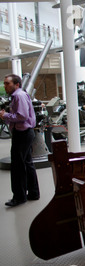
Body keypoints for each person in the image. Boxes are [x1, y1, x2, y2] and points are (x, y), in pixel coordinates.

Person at [0, 74, 40, 206]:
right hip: (25, 133)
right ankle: (33, 193)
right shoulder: (20, 95)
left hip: (22, 133)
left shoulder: (18, 96)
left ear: (16, 84)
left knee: (17, 166)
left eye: (7, 83)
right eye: (5, 83)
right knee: (27, 163)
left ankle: (19, 197)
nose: (5, 86)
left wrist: (5, 115)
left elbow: (22, 116)